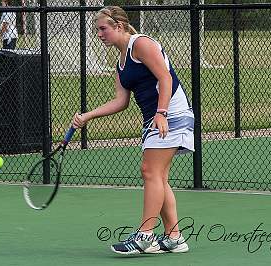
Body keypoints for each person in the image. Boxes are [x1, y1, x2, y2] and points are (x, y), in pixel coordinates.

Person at [72, 6, 194, 255]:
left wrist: (162, 114)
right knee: (158, 176)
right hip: (155, 117)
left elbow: (166, 78)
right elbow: (121, 101)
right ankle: (174, 238)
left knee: (150, 171)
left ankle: (145, 236)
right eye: (97, 30)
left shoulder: (141, 44)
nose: (99, 34)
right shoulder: (120, 62)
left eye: (103, 28)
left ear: (118, 26)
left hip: (172, 113)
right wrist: (88, 116)